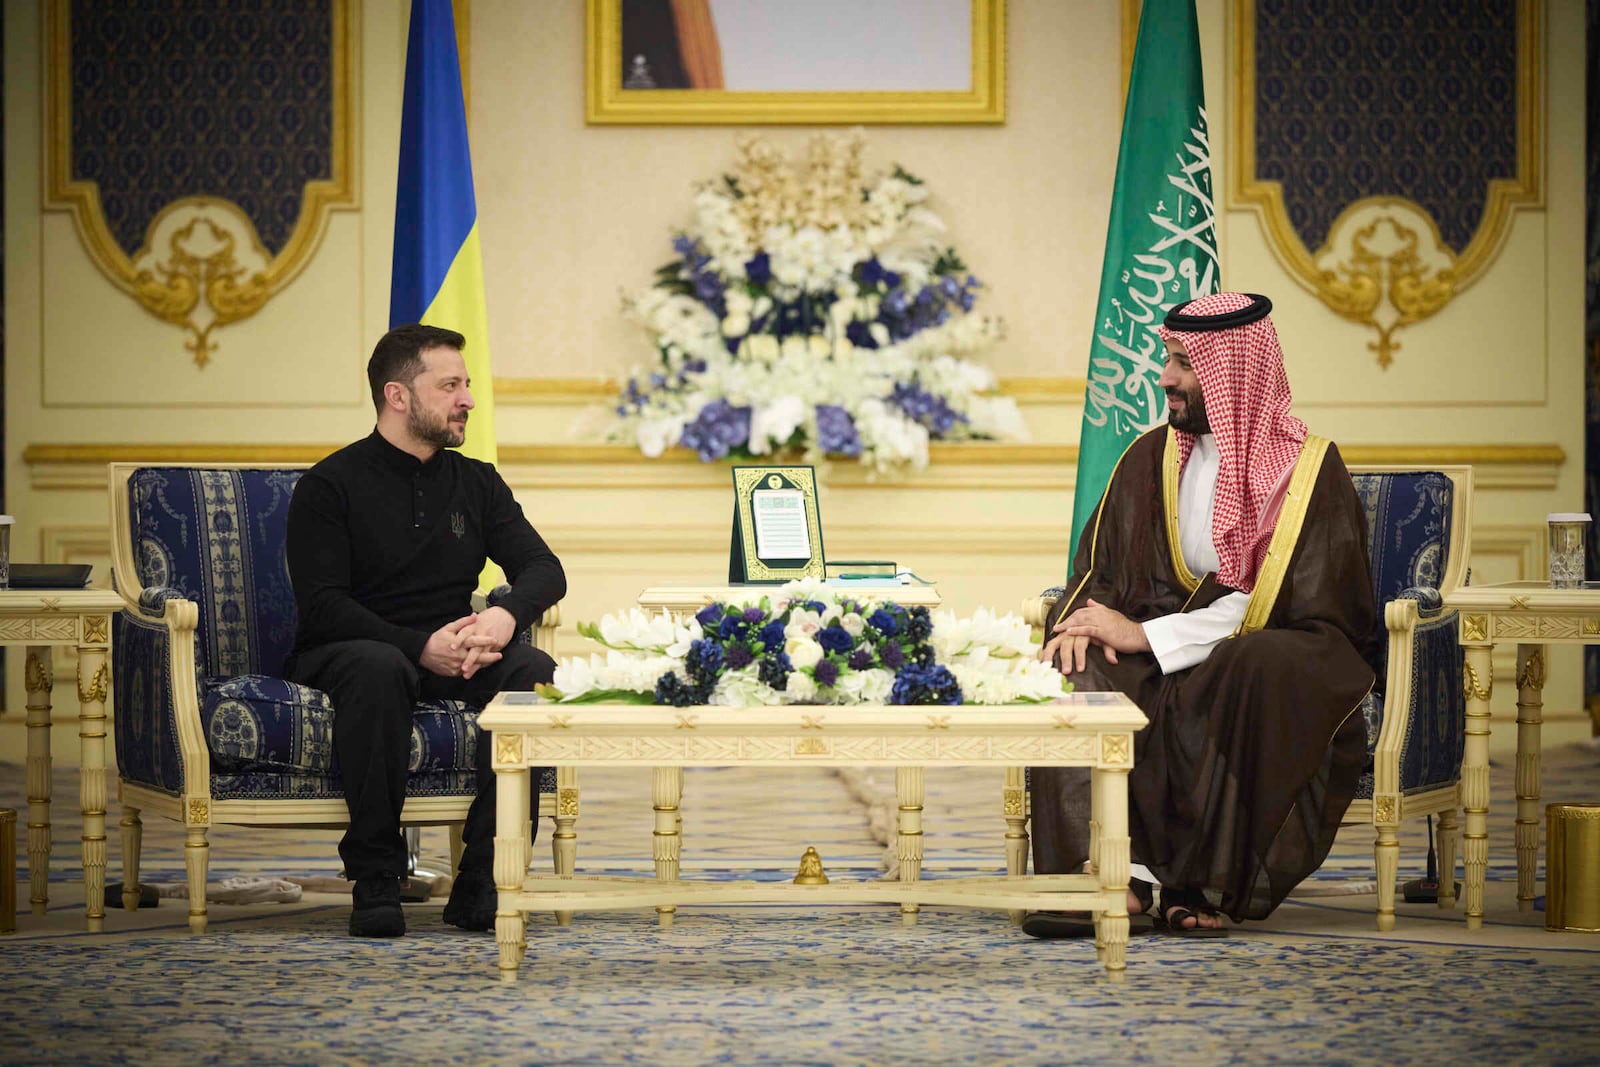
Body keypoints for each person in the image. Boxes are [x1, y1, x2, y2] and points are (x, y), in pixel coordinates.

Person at [1024, 292, 1375, 939]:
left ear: (1230, 372)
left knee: (1249, 665)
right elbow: (1100, 572)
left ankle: (1201, 882)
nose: (1166, 378)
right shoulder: (1147, 459)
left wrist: (1149, 635)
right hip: (1169, 651)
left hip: (1282, 648)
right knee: (1076, 669)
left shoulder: (1306, 472)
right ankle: (1103, 875)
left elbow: (1300, 599)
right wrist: (1080, 627)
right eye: (1168, 358)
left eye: (1183, 363)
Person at [284, 323, 566, 938]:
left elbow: (546, 570)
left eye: (466, 384)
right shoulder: (329, 486)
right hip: (352, 654)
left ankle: (485, 879)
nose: (468, 398)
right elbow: (323, 604)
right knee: (379, 666)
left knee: (530, 670)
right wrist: (418, 646)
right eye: (450, 386)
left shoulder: (476, 482)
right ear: (398, 395)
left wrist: (504, 615)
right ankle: (377, 879)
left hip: (456, 654)